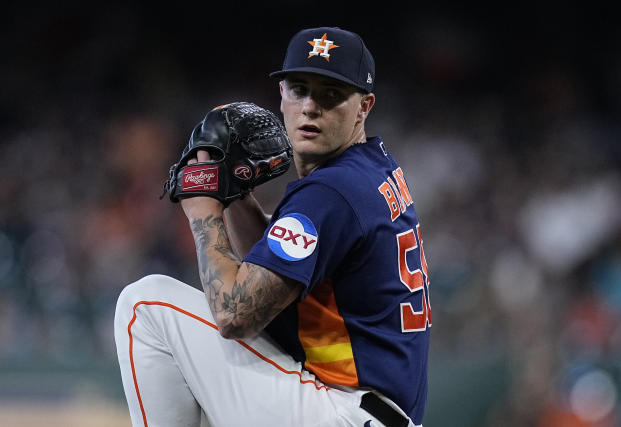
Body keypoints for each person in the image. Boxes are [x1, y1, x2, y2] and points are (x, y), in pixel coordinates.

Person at [114, 26, 431, 427]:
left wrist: (203, 209)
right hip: (366, 410)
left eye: (331, 94)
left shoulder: (331, 192)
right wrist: (233, 195)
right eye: (299, 89)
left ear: (364, 106)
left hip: (343, 411)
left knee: (144, 305)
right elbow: (275, 270)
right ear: (281, 95)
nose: (310, 106)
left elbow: (234, 315)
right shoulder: (369, 169)